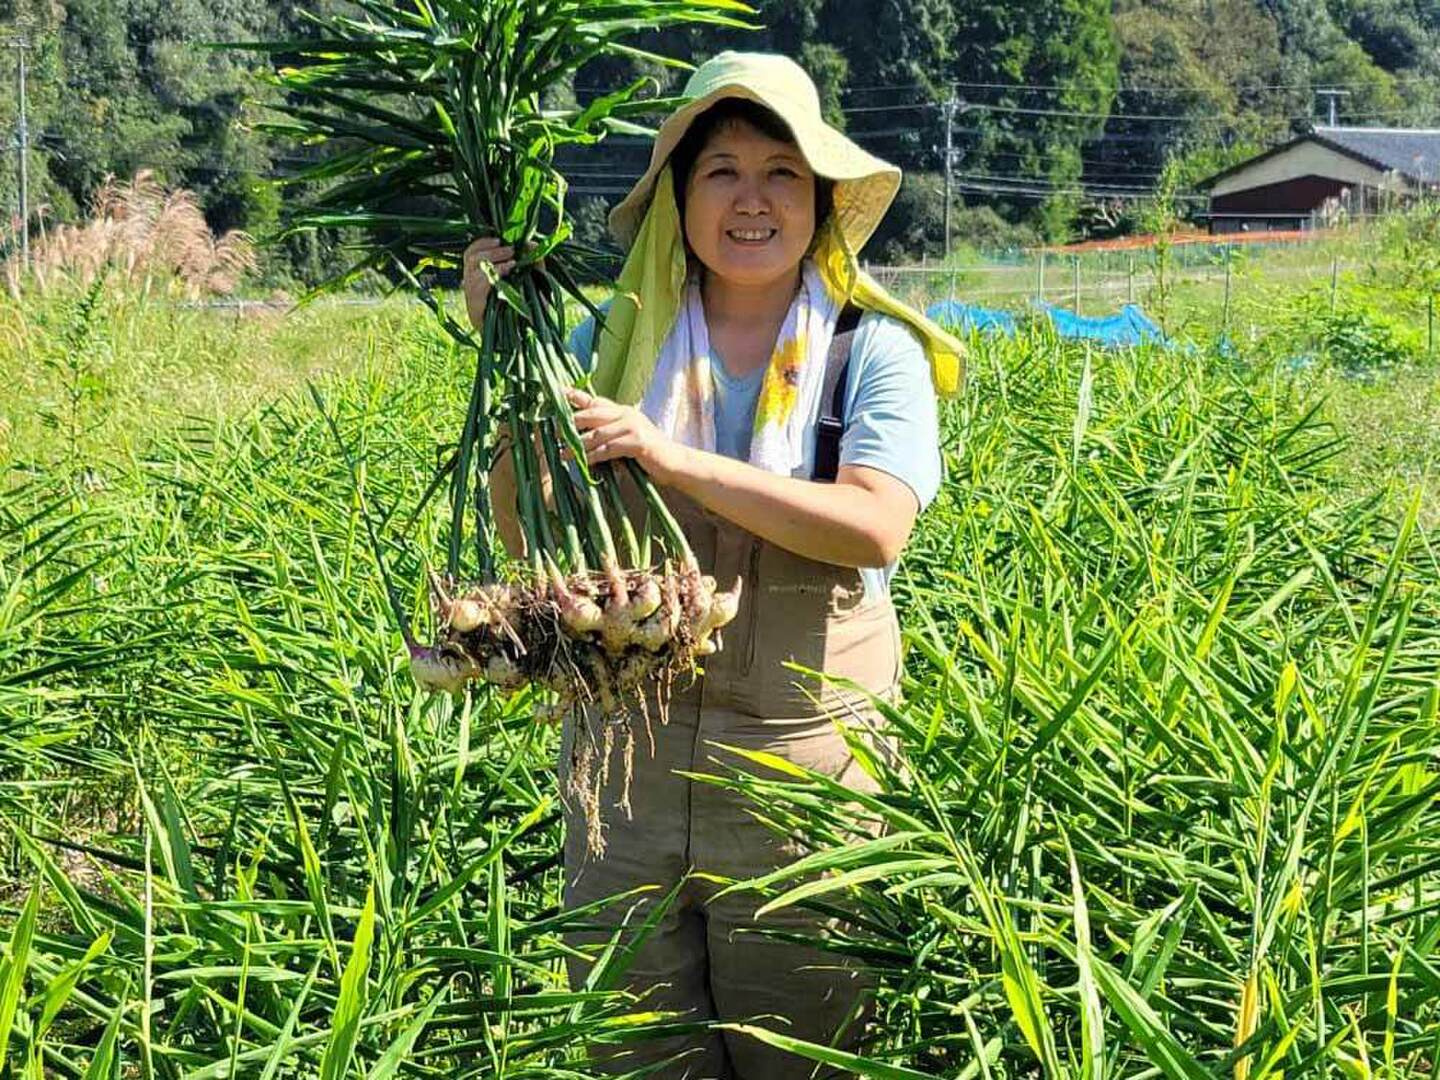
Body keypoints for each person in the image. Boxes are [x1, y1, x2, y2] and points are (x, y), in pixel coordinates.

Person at [462, 51, 961, 1080]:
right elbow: (531, 532)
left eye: (781, 172)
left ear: (820, 200)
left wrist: (669, 455)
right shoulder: (613, 340)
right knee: (636, 1054)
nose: (751, 199)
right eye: (720, 170)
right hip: (626, 772)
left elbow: (874, 528)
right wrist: (505, 353)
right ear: (677, 200)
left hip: (803, 770)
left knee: (810, 1051)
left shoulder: (870, 353)